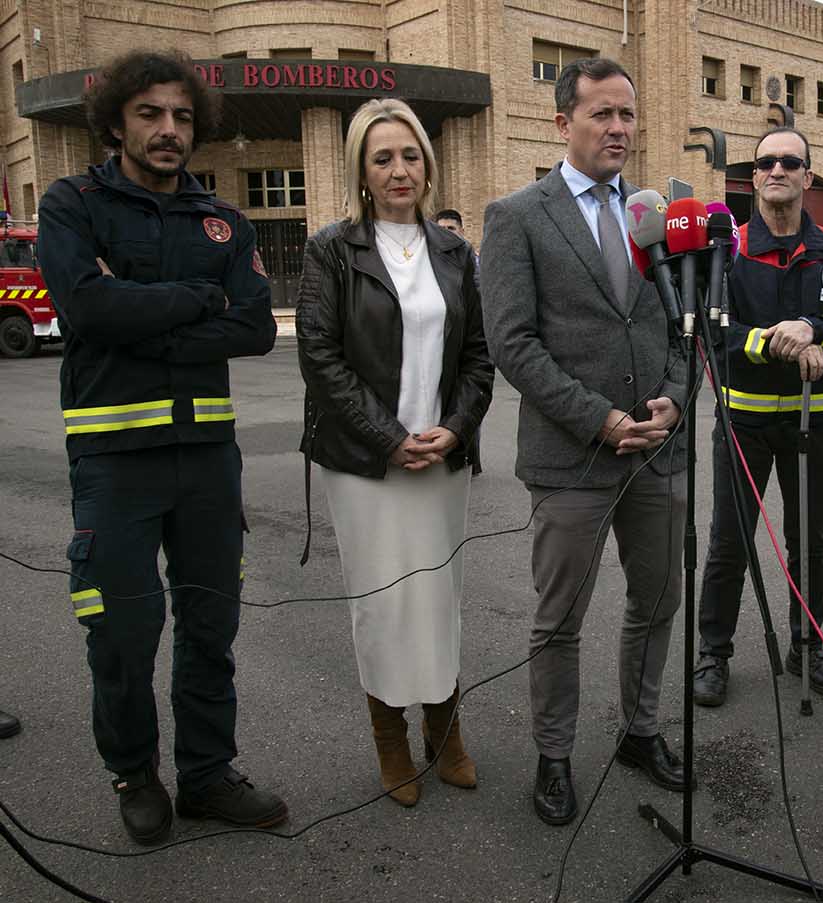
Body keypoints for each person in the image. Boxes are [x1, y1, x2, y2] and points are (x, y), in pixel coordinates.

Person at [36, 50, 283, 845]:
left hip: (208, 459)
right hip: (113, 462)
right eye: (150, 113)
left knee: (211, 627)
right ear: (116, 121)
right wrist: (192, 299)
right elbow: (84, 307)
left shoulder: (225, 220)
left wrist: (139, 313)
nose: (168, 129)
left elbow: (251, 328)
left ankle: (207, 774)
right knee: (122, 632)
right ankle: (134, 773)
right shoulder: (71, 204)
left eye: (180, 115)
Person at [482, 57, 690, 826]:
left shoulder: (652, 213)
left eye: (627, 115)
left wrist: (675, 398)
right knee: (558, 618)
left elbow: (681, 323)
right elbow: (512, 342)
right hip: (574, 457)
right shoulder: (518, 216)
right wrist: (599, 418)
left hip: (658, 451)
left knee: (656, 602)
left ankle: (639, 730)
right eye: (601, 114)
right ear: (561, 123)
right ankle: (554, 753)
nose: (618, 128)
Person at [296, 99, 493, 806]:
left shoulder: (452, 252)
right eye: (382, 157)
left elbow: (478, 357)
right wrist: (389, 436)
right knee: (384, 602)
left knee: (439, 598)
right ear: (361, 169)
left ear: (427, 164)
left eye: (409, 155)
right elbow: (319, 356)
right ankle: (390, 737)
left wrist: (456, 428)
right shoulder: (332, 249)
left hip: (440, 460)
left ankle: (447, 732)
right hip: (365, 462)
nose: (399, 169)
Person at [692, 127, 823, 707]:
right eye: (765, 162)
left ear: (807, 177)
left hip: (814, 423)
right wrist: (775, 343)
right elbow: (714, 333)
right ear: (753, 177)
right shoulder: (730, 248)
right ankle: (712, 654)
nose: (776, 170)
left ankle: (807, 647)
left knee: (809, 542)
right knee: (728, 543)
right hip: (743, 424)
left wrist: (817, 329)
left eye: (789, 162)